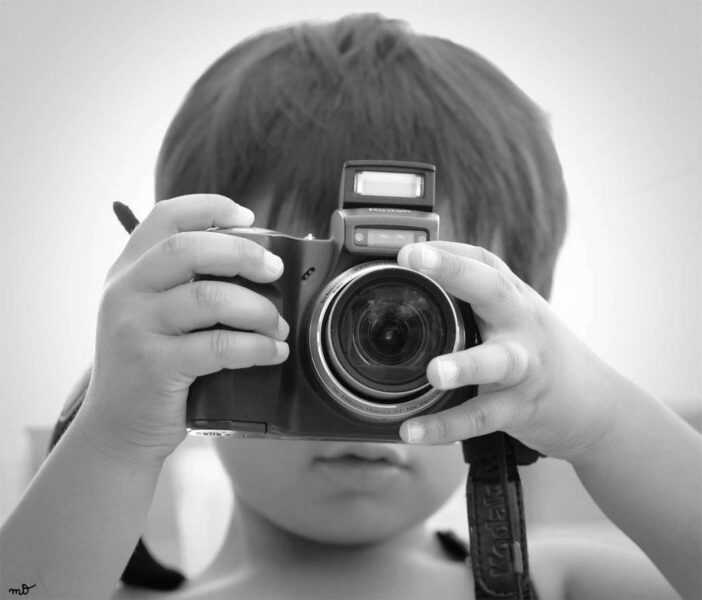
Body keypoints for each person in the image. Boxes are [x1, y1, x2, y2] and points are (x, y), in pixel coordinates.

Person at [1, 13, 700, 600]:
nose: (363, 374)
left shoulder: (559, 581)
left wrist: (603, 423)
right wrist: (117, 434)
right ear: (199, 308)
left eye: (427, 322)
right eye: (314, 307)